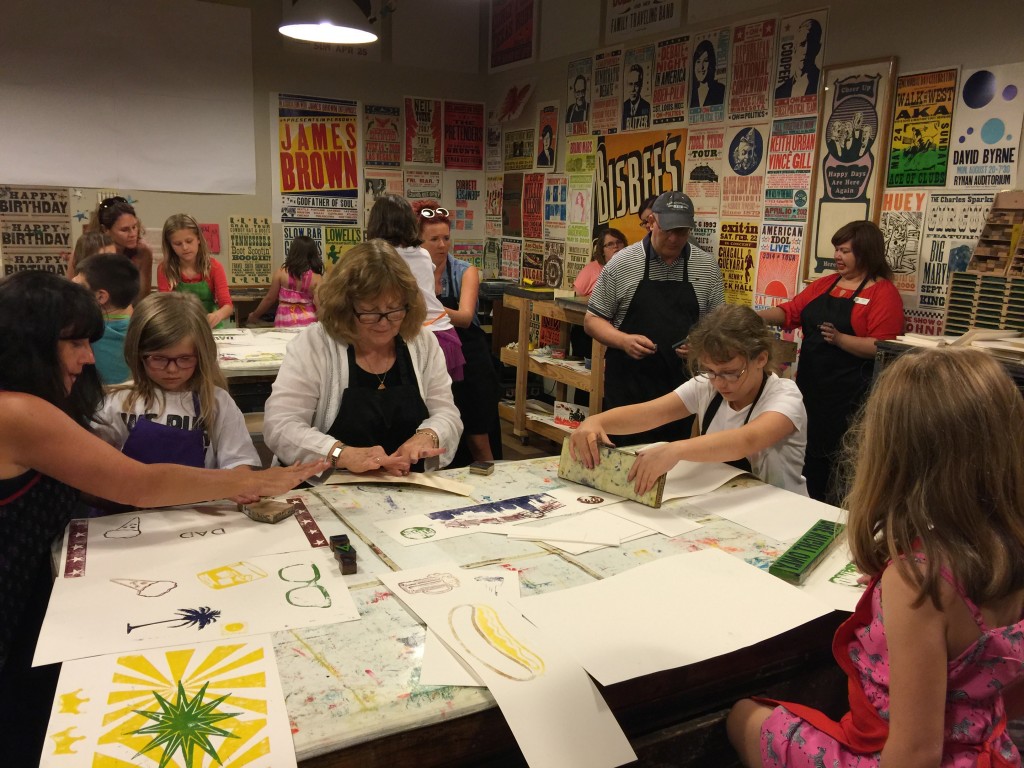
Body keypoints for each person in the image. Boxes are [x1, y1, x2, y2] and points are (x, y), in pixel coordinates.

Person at [0, 271, 324, 764]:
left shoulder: (40, 402)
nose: (90, 357)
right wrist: (250, 482)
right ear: (33, 343)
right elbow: (138, 483)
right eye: (77, 343)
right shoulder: (21, 412)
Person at [727, 347, 1024, 767]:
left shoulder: (918, 579)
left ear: (891, 453)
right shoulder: (1008, 544)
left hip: (898, 753)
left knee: (744, 717)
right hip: (988, 748)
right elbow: (1008, 691)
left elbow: (917, 753)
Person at [263, 239, 462, 475]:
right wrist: (340, 453)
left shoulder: (422, 342)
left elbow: (447, 413)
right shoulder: (315, 344)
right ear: (345, 306)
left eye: (394, 310)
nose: (384, 322)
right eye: (370, 312)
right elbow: (281, 424)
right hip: (330, 487)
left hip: (405, 487)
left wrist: (430, 435)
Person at [570, 305, 806, 495]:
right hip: (727, 500)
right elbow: (651, 412)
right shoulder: (707, 386)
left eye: (732, 373)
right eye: (711, 371)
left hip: (781, 507)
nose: (720, 382)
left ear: (761, 359)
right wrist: (597, 422)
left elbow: (747, 440)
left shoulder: (785, 397)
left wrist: (675, 450)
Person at [758, 220, 903, 503]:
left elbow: (882, 346)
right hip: (812, 389)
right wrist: (754, 316)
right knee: (809, 456)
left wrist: (841, 340)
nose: (838, 256)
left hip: (851, 396)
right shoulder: (826, 284)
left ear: (866, 252)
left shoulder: (883, 293)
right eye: (837, 249)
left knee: (840, 463)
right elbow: (790, 313)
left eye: (846, 250)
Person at [585, 191, 724, 446]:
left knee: (671, 465)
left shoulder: (706, 267)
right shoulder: (623, 263)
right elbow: (592, 319)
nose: (673, 238)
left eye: (681, 232)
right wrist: (623, 340)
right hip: (628, 384)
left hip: (680, 390)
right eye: (667, 229)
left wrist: (701, 345)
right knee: (622, 462)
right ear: (652, 223)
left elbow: (718, 326)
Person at [91, 292, 261, 480]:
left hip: (200, 506)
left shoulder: (216, 403)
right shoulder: (118, 403)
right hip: (133, 506)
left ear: (202, 355)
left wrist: (240, 481)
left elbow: (239, 463)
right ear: (137, 353)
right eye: (159, 359)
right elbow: (96, 467)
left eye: (184, 359)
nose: (172, 369)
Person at [414, 200, 502, 464]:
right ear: (418, 241)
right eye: (433, 239)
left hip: (469, 357)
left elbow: (464, 317)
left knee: (478, 436)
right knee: (434, 431)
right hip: (430, 357)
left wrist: (426, 307)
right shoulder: (411, 273)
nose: (442, 245)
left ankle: (494, 486)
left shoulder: (465, 271)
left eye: (446, 238)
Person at [366, 194, 465, 382]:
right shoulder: (422, 254)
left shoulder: (382, 258)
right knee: (437, 402)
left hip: (416, 336)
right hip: (444, 333)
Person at [71, 252, 140, 384]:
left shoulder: (83, 332)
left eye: (78, 287)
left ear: (101, 297)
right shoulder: (140, 330)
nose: (70, 292)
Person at [158, 213, 234, 329]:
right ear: (170, 245)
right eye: (178, 244)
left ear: (198, 238)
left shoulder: (214, 267)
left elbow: (227, 306)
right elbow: (165, 307)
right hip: (179, 328)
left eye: (189, 241)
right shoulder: (165, 269)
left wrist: (217, 315)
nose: (185, 247)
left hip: (210, 327)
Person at [87, 196, 153, 303]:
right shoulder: (88, 250)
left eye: (134, 227)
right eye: (124, 230)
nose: (133, 234)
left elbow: (142, 299)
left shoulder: (143, 252)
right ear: (105, 230)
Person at [248, 236, 324, 327]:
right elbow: (320, 306)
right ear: (313, 254)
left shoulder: (281, 273)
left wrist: (254, 315)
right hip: (309, 322)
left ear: (293, 252)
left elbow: (269, 299)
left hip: (285, 321)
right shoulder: (317, 278)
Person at [773, 18, 823, 100]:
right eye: (802, 44)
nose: (805, 51)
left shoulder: (821, 83)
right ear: (795, 48)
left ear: (818, 48)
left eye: (811, 45)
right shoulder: (779, 91)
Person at [574, 227, 627, 297]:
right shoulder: (591, 269)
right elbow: (574, 298)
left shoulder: (632, 267)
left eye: (619, 242)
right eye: (610, 244)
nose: (616, 246)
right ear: (602, 251)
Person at [690, 39, 726, 108]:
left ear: (711, 63)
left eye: (705, 61)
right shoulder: (690, 93)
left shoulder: (720, 90)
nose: (701, 67)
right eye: (698, 61)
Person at [621, 63, 652, 131]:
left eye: (636, 84)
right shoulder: (623, 107)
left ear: (641, 85)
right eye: (630, 84)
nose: (633, 89)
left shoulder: (647, 106)